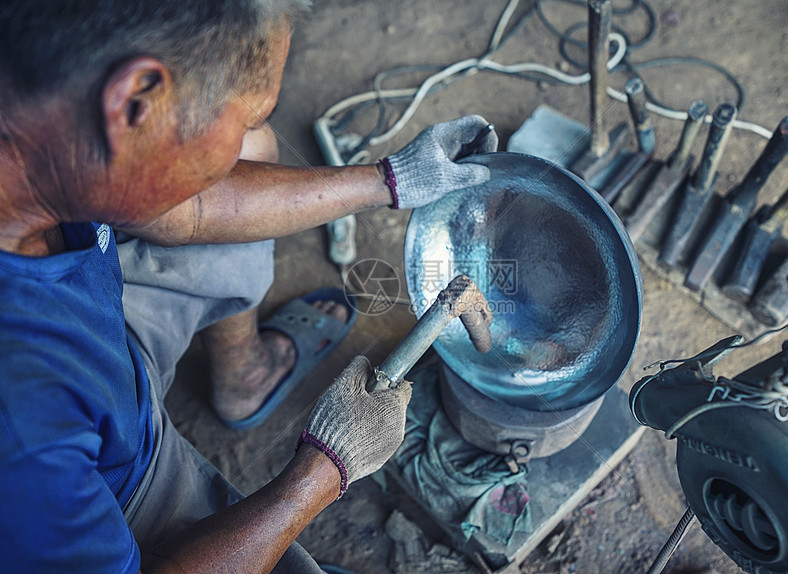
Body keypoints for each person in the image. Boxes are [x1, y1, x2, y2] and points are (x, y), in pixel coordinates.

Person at [0, 1, 498, 572]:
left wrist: (391, 180)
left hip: (99, 343)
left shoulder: (40, 134)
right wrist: (323, 469)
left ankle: (243, 374)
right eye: (245, 114)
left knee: (250, 160)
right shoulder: (22, 430)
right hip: (107, 482)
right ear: (135, 101)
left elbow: (191, 210)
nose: (248, 133)